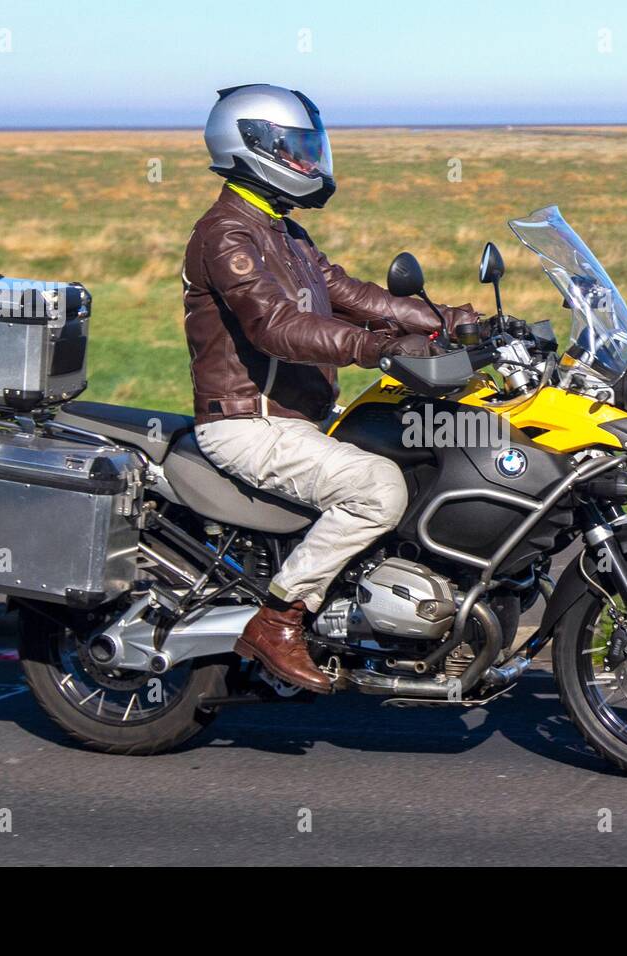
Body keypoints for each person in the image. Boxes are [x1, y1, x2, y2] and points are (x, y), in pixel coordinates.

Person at [183, 84, 478, 693]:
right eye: (294, 147)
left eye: (309, 147)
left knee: (424, 442)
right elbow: (276, 326)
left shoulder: (282, 231)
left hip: (297, 417)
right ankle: (280, 617)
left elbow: (346, 294)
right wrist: (380, 348)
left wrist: (441, 319)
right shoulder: (226, 234)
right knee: (376, 487)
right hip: (248, 424)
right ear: (251, 146)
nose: (308, 160)